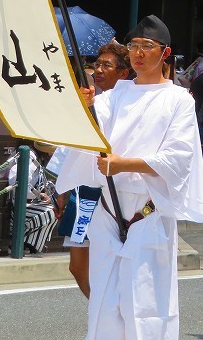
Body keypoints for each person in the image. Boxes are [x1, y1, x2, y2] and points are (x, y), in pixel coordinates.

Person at [56, 15, 203, 340]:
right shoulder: (111, 97)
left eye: (147, 47)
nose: (138, 53)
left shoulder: (179, 100)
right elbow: (86, 140)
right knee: (105, 306)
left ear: (164, 53)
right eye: (134, 46)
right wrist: (83, 111)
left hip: (148, 214)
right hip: (108, 212)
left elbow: (178, 159)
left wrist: (124, 164)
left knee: (147, 307)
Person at [57, 42, 131, 298]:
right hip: (85, 192)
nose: (98, 70)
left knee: (109, 262)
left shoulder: (131, 105)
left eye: (106, 65)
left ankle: (112, 320)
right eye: (97, 64)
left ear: (123, 72)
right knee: (78, 266)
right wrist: (63, 189)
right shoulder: (91, 100)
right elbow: (73, 147)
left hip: (116, 190)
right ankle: (102, 314)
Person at [9, 141, 59, 254]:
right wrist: (40, 195)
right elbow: (18, 184)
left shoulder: (37, 160)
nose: (51, 155)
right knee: (52, 212)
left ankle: (29, 242)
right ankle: (25, 242)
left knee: (56, 208)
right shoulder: (30, 161)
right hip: (21, 205)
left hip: (31, 203)